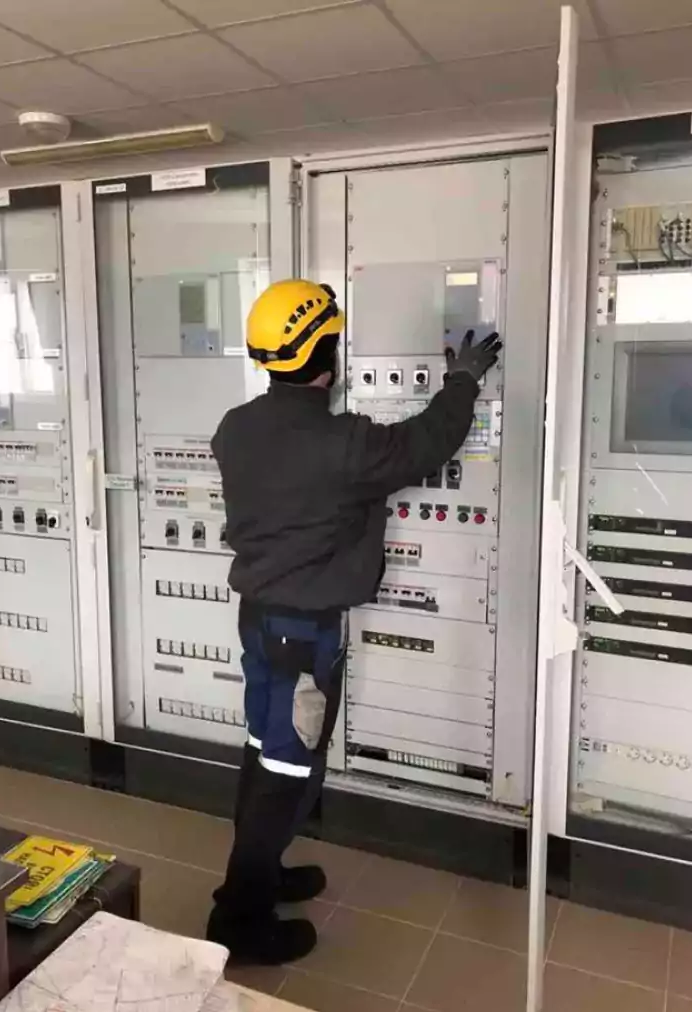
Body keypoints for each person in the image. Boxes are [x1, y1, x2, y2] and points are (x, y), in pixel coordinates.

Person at [206, 278, 501, 965]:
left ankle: (262, 870)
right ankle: (239, 918)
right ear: (326, 354)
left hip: (261, 624)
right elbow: (430, 441)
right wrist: (462, 378)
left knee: (264, 756)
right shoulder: (344, 444)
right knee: (285, 771)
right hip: (301, 636)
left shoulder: (235, 427)